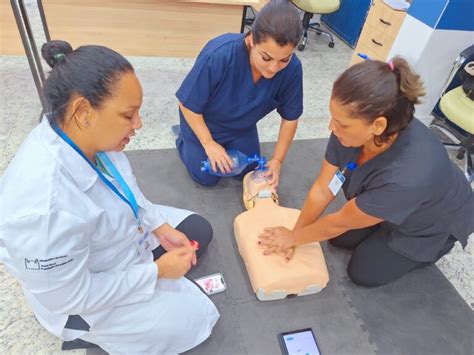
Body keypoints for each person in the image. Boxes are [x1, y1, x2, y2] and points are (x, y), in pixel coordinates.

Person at [0, 40, 219, 353]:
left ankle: (150, 271)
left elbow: (126, 188)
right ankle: (82, 334)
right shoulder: (45, 212)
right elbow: (72, 296)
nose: (139, 125)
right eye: (129, 115)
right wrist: (156, 271)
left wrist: (159, 227)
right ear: (84, 111)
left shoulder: (78, 132)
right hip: (80, 299)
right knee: (194, 321)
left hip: (118, 240)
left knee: (197, 230)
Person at [259, 57, 474, 287]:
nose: (331, 127)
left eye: (341, 123)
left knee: (362, 271)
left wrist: (293, 237)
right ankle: (379, 219)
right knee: (337, 239)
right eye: (333, 117)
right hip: (390, 201)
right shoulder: (350, 129)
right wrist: (295, 235)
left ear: (378, 126)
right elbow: (323, 189)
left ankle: (432, 249)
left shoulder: (409, 176)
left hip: (427, 224)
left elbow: (338, 222)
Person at [175, 0, 303, 187]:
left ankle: (228, 146)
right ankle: (183, 140)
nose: (274, 68)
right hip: (203, 122)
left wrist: (277, 161)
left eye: (284, 59)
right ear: (251, 40)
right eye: (266, 57)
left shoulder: (292, 69)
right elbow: (187, 104)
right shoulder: (220, 54)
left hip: (241, 127)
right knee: (207, 177)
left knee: (248, 170)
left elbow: (290, 118)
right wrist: (209, 143)